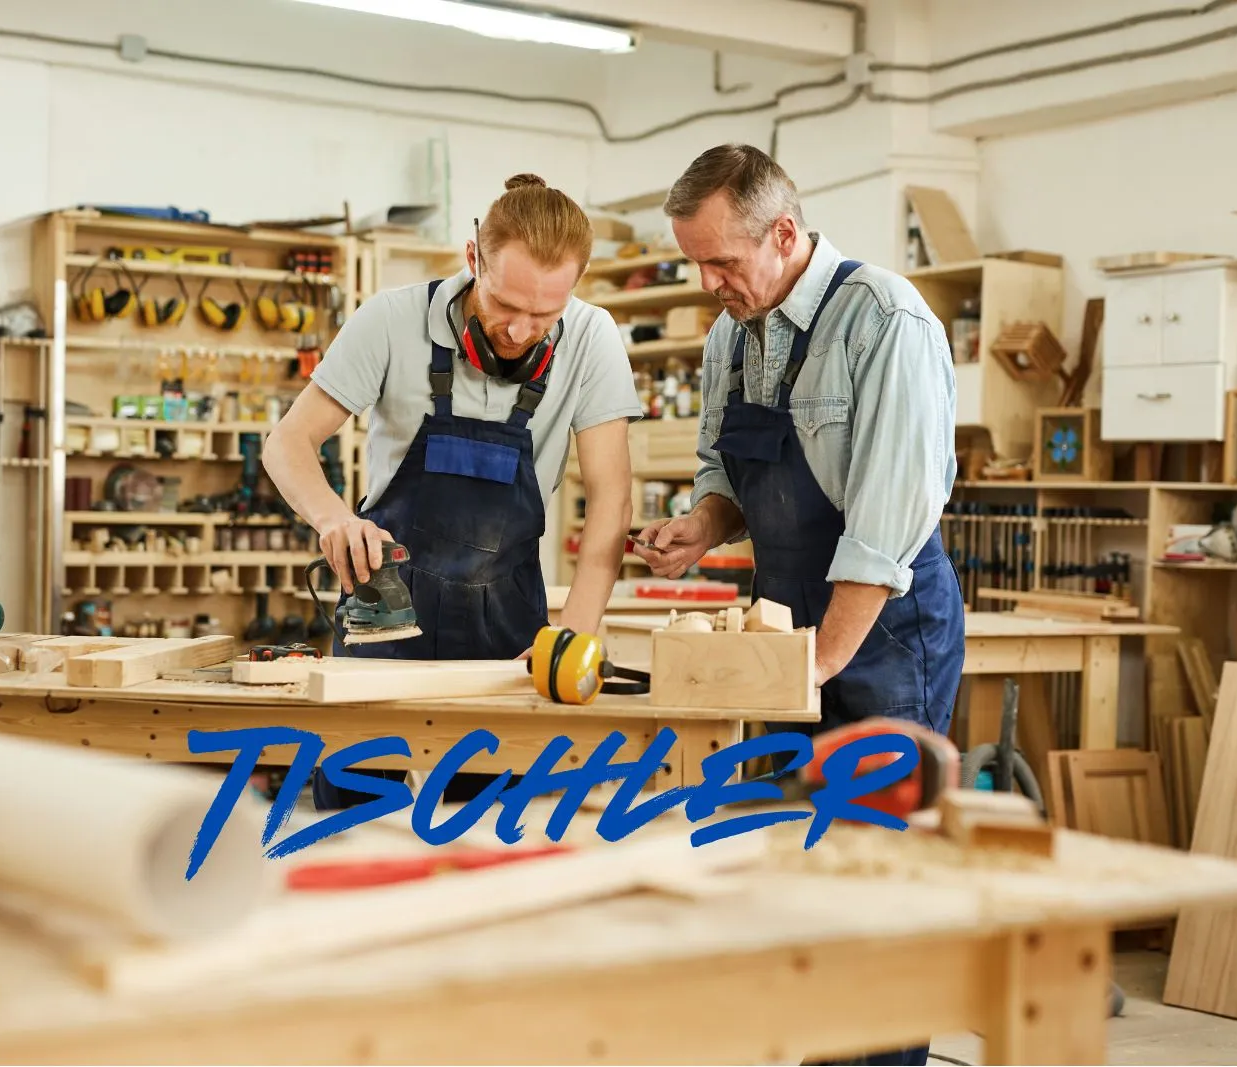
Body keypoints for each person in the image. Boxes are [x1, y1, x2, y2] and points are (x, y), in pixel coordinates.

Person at [635, 144, 963, 1067]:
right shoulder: (730, 337)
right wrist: (700, 525)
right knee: (782, 861)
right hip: (783, 624)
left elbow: (883, 527)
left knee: (876, 873)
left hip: (885, 631)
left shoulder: (885, 320)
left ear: (785, 233)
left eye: (723, 262)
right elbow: (724, 473)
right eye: (694, 262)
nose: (707, 284)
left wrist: (819, 666)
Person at [263, 173, 642, 809]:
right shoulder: (391, 319)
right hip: (386, 611)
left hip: (508, 632)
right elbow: (287, 444)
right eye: (505, 306)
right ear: (473, 260)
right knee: (352, 828)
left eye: (544, 313)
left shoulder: (591, 336)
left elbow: (611, 500)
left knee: (501, 831)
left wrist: (576, 629)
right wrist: (332, 519)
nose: (521, 331)